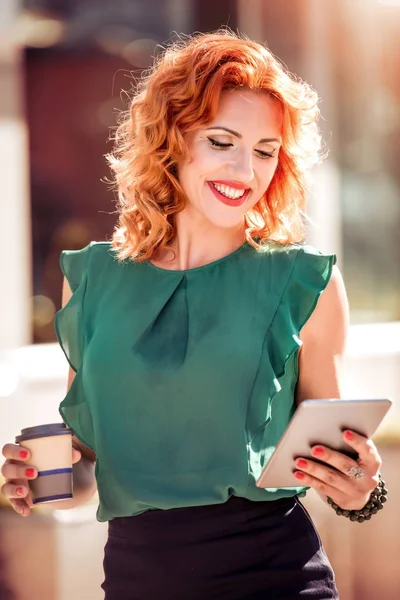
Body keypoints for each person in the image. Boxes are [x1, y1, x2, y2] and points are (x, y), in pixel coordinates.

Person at [1, 30, 384, 599]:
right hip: (135, 580)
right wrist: (35, 481)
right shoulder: (94, 279)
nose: (245, 172)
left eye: (264, 150)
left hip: (273, 577)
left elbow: (329, 459)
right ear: (173, 141)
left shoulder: (303, 283)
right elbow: (89, 466)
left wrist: (361, 488)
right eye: (222, 141)